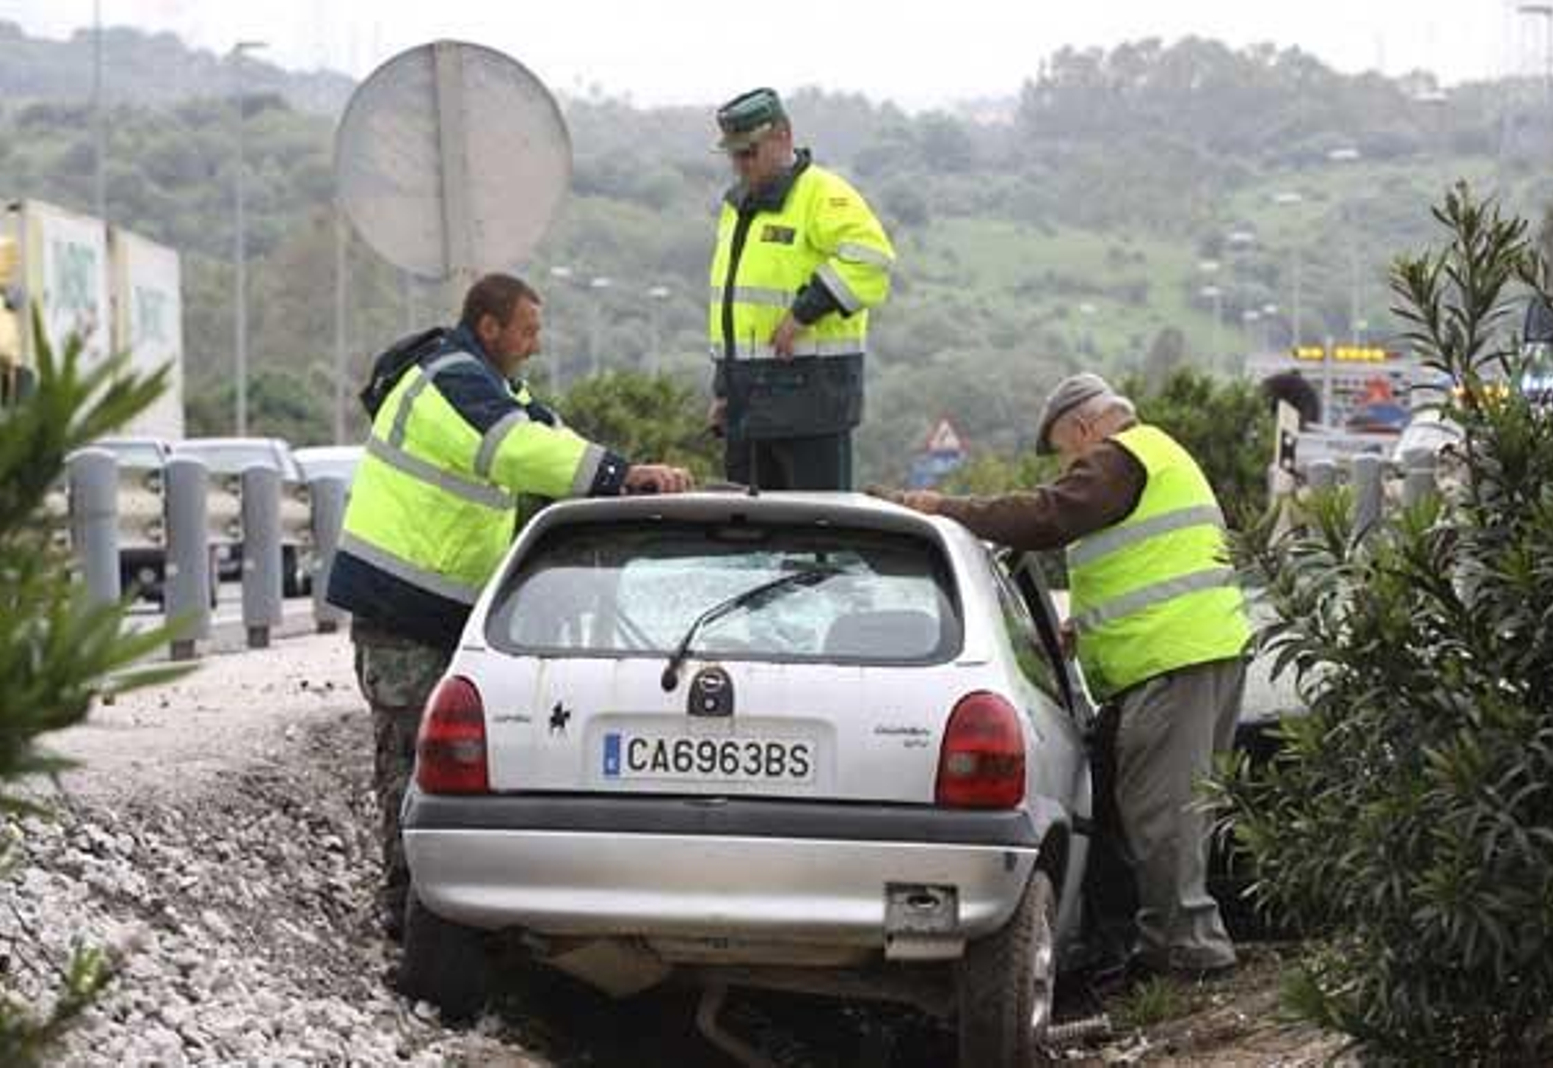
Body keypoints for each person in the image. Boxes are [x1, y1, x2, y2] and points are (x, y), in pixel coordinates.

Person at [327, 273, 693, 938]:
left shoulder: (494, 387)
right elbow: (517, 449)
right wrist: (618, 474)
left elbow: (548, 435)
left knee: (436, 771)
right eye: (527, 330)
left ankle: (438, 918)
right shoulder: (451, 382)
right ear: (489, 327)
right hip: (398, 609)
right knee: (412, 769)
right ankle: (409, 921)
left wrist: (626, 475)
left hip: (436, 610)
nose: (536, 344)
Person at [880, 372, 1251, 976]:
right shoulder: (1157, 457)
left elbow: (1046, 516)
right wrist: (1086, 628)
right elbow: (1149, 566)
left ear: (1083, 426)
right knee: (1175, 810)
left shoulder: (1120, 456)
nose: (1067, 467)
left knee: (1164, 814)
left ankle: (1187, 953)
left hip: (1173, 656)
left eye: (1063, 453)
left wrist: (944, 508)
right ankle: (1173, 942)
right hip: (1195, 649)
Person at [706, 87, 895, 491]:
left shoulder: (824, 195)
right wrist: (723, 389)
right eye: (734, 154)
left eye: (749, 152)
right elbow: (734, 312)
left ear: (783, 136)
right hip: (747, 408)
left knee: (817, 524)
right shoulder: (737, 206)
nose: (740, 164)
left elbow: (872, 260)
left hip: (812, 403)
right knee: (749, 526)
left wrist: (803, 313)